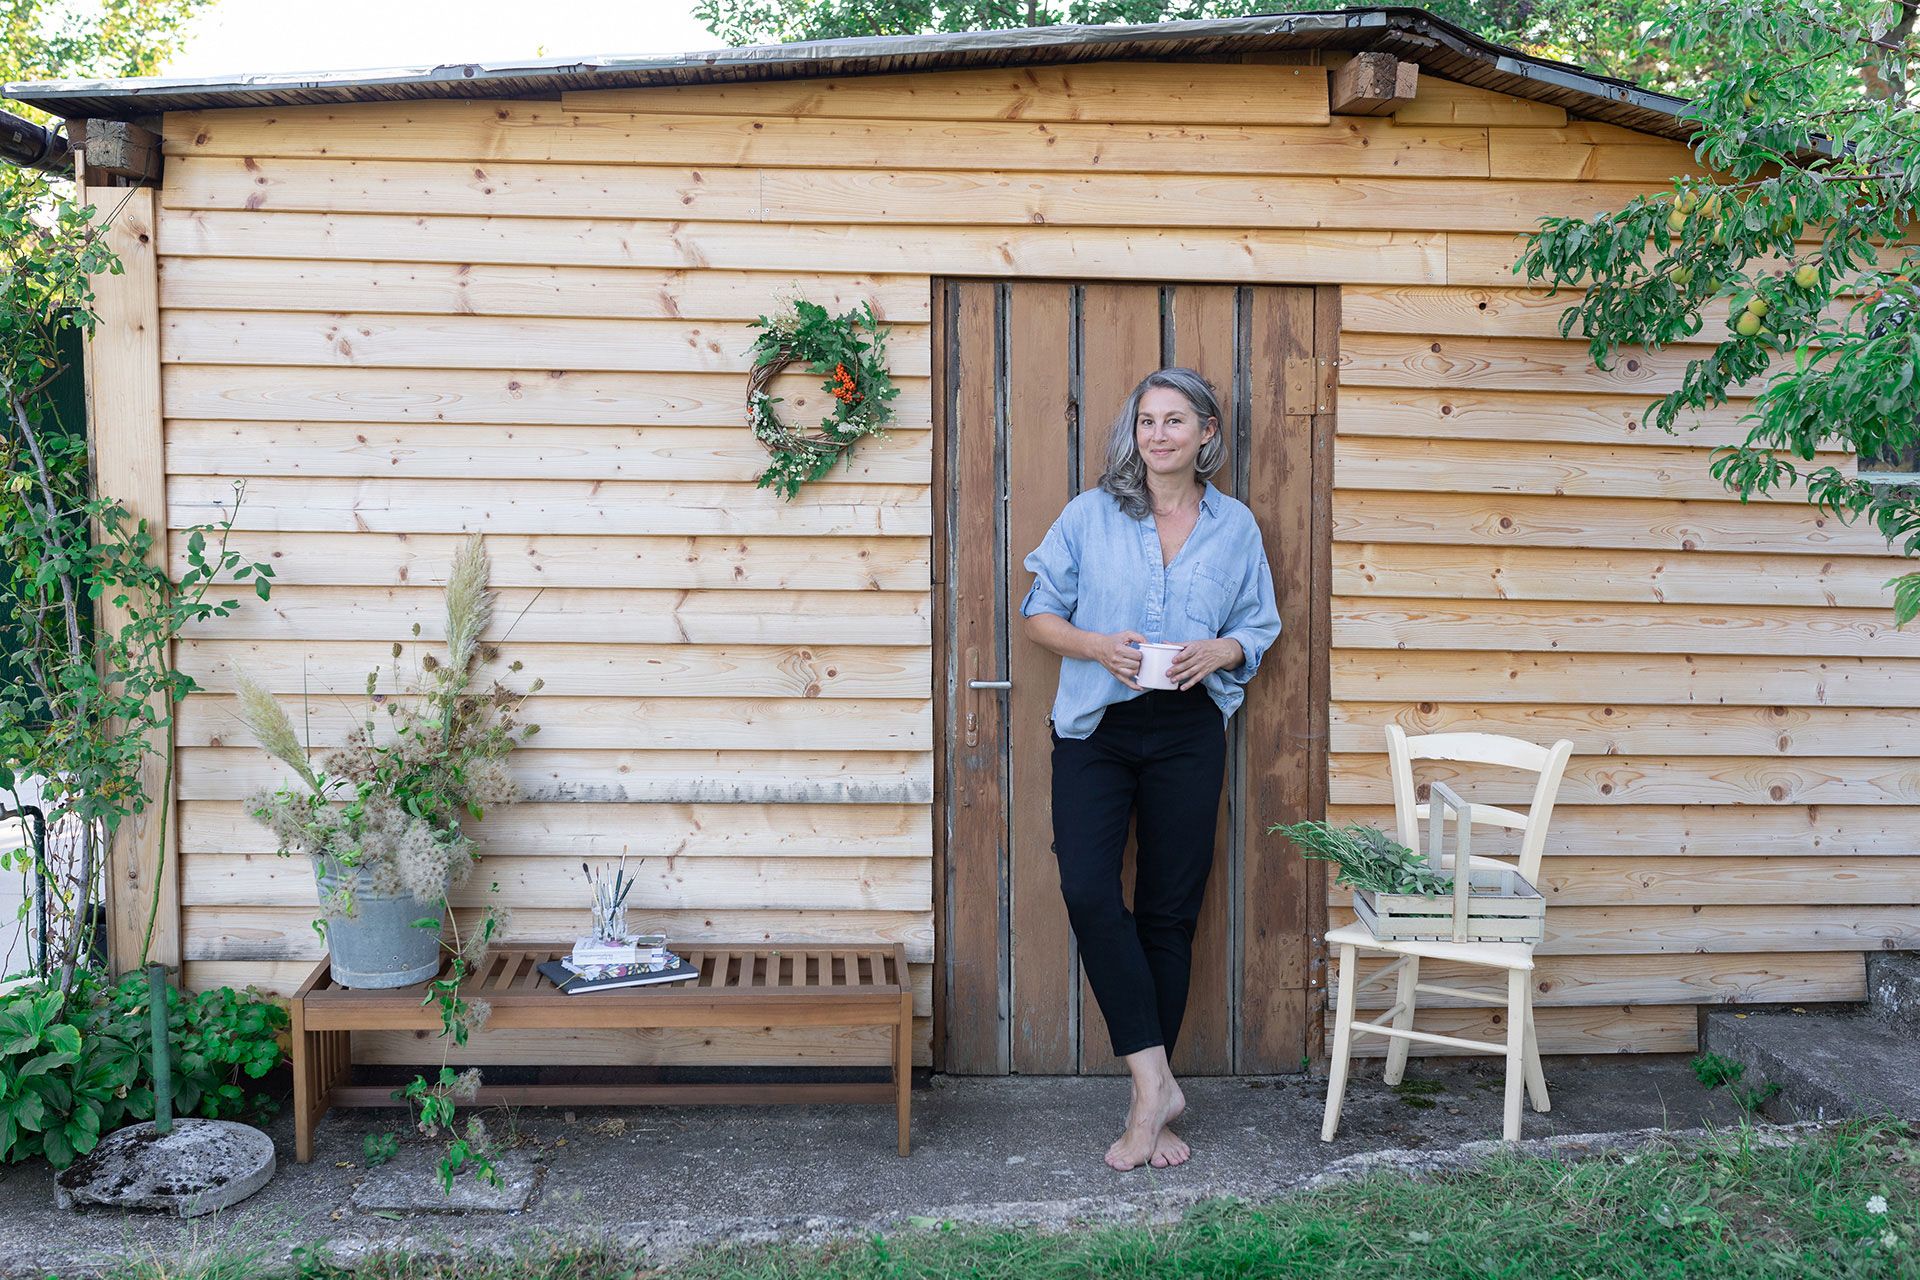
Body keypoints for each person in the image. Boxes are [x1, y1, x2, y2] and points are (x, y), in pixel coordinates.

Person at [1019, 367, 1281, 1172]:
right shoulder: (1089, 515)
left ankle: (1147, 1105)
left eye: (1175, 420)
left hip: (1189, 731)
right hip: (1097, 725)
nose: (1158, 434)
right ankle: (1156, 1085)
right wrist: (1098, 646)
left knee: (1169, 912)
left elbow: (1258, 625)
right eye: (1147, 421)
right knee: (1088, 889)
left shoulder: (1235, 527)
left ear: (1207, 433)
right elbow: (1038, 615)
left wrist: (1221, 650)